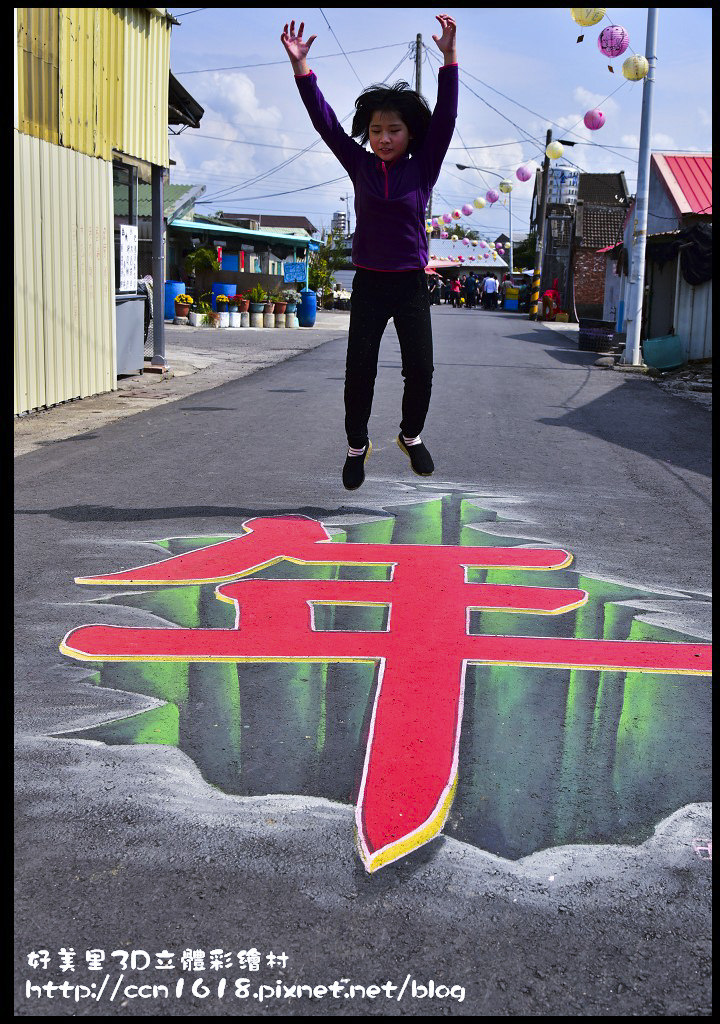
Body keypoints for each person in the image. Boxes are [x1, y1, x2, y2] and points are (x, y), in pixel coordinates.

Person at [282, 15, 458, 490]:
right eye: (377, 129)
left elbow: (446, 117)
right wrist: (303, 69)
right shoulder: (359, 164)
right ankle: (356, 446)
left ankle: (410, 435)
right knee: (359, 371)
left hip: (410, 285)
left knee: (420, 369)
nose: (383, 137)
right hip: (369, 284)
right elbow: (326, 124)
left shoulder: (423, 168)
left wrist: (448, 59)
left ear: (409, 134)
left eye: (394, 129)